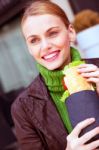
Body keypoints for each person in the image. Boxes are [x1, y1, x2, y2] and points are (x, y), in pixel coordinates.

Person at [11, 1, 99, 150]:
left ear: (70, 32)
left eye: (52, 33)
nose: (45, 46)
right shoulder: (22, 108)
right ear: (29, 48)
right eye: (34, 40)